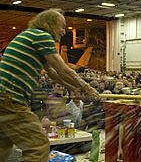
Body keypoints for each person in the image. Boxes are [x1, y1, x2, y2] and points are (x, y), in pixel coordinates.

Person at [0, 8, 100, 162]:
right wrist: (89, 89)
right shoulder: (42, 36)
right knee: (38, 145)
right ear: (51, 24)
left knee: (4, 145)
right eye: (62, 26)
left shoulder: (29, 36)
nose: (64, 32)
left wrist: (74, 89)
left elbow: (53, 73)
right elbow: (63, 68)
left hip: (4, 98)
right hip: (11, 98)